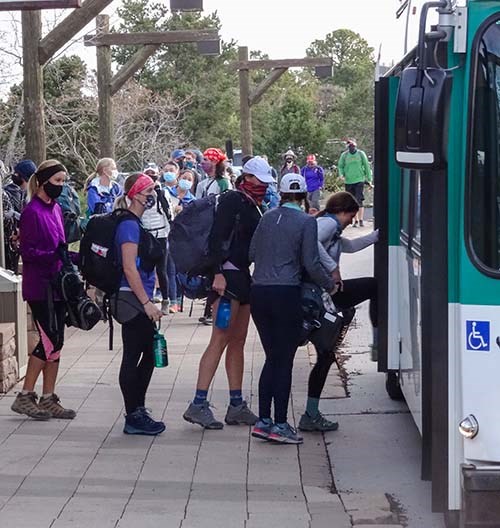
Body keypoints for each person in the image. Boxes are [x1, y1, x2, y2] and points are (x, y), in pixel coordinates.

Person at [183, 156, 275, 429]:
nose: (263, 186)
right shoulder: (233, 201)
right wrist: (218, 273)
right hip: (228, 279)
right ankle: (198, 403)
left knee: (238, 340)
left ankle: (236, 404)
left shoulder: (252, 204)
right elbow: (216, 238)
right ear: (247, 178)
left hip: (242, 278)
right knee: (220, 339)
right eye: (259, 181)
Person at [249, 174, 336, 445]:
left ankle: (263, 421)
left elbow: (252, 253)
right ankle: (281, 424)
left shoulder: (265, 218)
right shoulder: (306, 222)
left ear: (282, 193)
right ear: (304, 196)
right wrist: (328, 283)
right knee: (284, 359)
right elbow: (310, 262)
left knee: (271, 357)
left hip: (259, 291)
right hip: (286, 292)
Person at [10, 160, 76, 421]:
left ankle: (48, 396)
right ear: (45, 180)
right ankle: (26, 394)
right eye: (58, 181)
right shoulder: (32, 212)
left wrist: (72, 259)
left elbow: (60, 245)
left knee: (56, 340)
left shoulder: (55, 208)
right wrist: (53, 256)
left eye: (63, 181)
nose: (61, 186)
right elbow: (28, 251)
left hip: (57, 283)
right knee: (49, 339)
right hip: (40, 285)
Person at [307, 191, 378, 428]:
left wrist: (376, 237)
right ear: (343, 211)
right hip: (320, 296)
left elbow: (349, 245)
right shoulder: (327, 223)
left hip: (327, 294)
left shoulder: (334, 230)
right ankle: (310, 415)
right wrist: (333, 269)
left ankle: (311, 413)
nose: (351, 221)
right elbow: (311, 244)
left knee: (325, 355)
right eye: (351, 216)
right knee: (325, 354)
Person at [113, 173, 166, 435]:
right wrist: (146, 303)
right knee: (135, 355)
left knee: (147, 354)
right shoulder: (128, 226)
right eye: (148, 192)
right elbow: (129, 268)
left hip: (137, 297)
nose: (152, 196)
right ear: (134, 194)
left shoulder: (135, 223)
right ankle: (133, 414)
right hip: (131, 300)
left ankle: (138, 409)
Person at [141, 163, 173, 315]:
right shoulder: (140, 194)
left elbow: (168, 213)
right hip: (146, 233)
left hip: (161, 234)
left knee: (161, 269)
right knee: (146, 268)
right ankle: (147, 298)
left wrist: (169, 232)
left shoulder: (162, 193)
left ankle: (166, 299)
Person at [3, 160, 36, 272]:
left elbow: (33, 219)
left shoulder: (32, 195)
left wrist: (14, 215)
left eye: (17, 174)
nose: (14, 176)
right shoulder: (22, 192)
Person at [337, 139, 373, 227]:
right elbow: (340, 166)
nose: (351, 148)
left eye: (353, 146)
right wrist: (341, 174)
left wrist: (369, 179)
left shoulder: (361, 154)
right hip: (348, 180)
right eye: (349, 146)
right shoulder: (344, 155)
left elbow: (366, 166)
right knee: (351, 201)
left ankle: (361, 220)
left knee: (359, 200)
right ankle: (355, 220)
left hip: (359, 179)